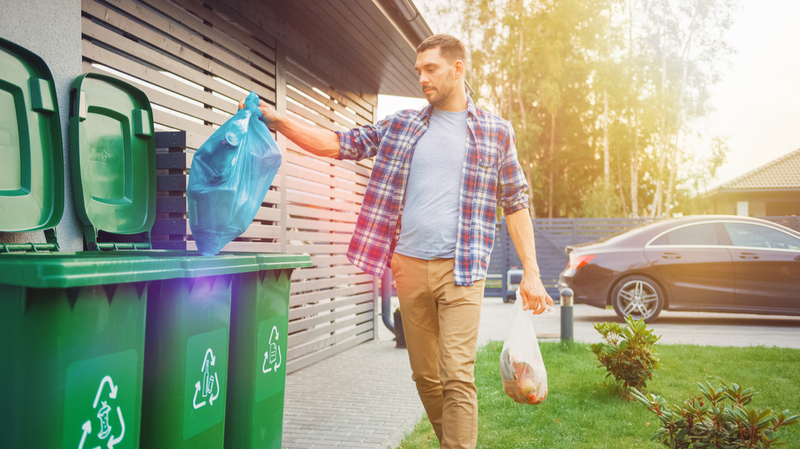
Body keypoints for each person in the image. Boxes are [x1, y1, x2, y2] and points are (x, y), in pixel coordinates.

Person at [240, 33, 553, 449]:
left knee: (456, 374)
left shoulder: (496, 132)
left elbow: (515, 202)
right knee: (425, 376)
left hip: (463, 270)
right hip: (408, 265)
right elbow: (340, 144)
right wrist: (280, 121)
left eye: (431, 69)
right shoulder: (402, 125)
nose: (422, 78)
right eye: (418, 70)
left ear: (457, 69)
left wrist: (532, 272)